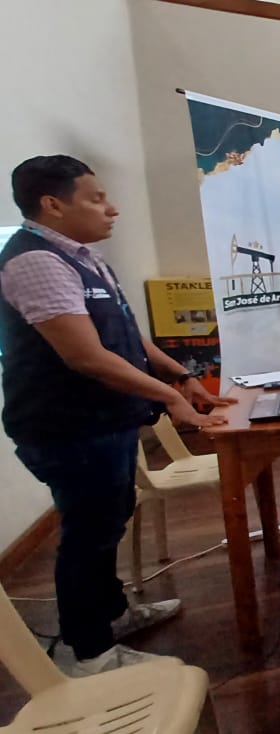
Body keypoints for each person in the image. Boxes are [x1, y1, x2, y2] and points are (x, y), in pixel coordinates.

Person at [0, 155, 234, 676]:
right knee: (89, 535)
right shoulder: (35, 262)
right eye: (96, 199)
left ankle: (112, 615)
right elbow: (86, 356)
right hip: (68, 428)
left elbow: (126, 333)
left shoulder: (84, 258)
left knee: (108, 520)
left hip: (105, 423)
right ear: (52, 204)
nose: (113, 209)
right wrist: (171, 400)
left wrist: (183, 376)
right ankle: (88, 652)